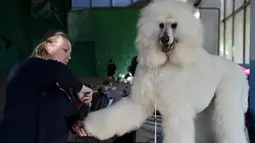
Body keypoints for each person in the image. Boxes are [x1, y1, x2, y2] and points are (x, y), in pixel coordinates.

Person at [0, 30, 93, 143]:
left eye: (70, 53)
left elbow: (70, 112)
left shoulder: (62, 85)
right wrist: (80, 88)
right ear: (49, 47)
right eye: (65, 50)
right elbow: (56, 70)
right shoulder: (26, 68)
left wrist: (76, 123)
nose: (69, 57)